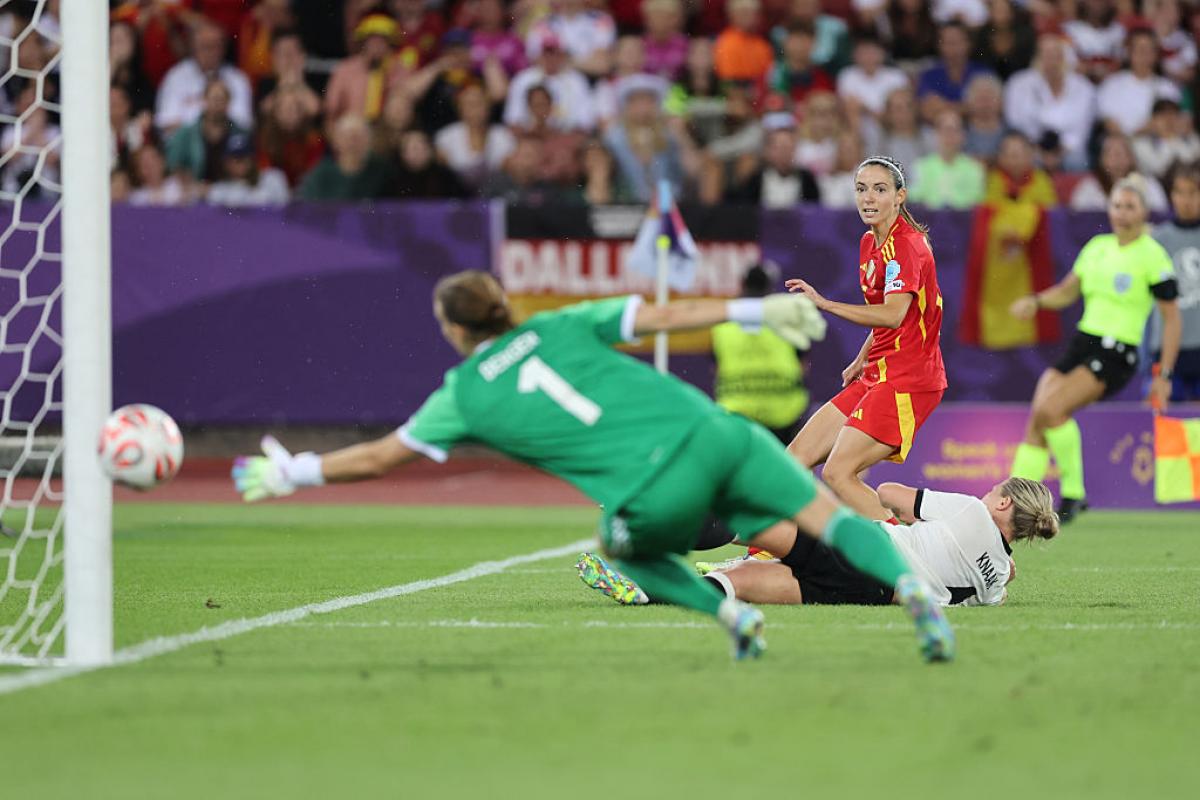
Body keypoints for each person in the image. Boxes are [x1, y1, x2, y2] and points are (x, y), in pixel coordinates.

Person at [232, 271, 956, 663]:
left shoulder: (465, 394)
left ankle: (729, 616)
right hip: (717, 432)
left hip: (650, 485)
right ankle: (912, 593)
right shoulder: (558, 324)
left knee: (620, 550)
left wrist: (295, 472)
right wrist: (755, 310)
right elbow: (665, 317)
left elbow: (380, 457)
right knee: (820, 512)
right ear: (505, 307)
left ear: (455, 330)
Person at [584, 478, 1057, 609]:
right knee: (743, 581)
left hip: (867, 549)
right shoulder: (995, 588)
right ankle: (647, 593)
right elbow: (994, 587)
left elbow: (891, 493)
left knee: (749, 522)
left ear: (1001, 506)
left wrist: (904, 514)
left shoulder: (972, 513)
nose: (985, 493)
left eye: (994, 490)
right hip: (871, 594)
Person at [1009, 174, 1182, 522]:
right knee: (1039, 412)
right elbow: (1068, 290)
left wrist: (1163, 372)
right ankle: (1015, 500)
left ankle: (1073, 494)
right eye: (1117, 205)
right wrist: (1037, 301)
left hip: (1118, 351)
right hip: (1083, 342)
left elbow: (1172, 320)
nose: (1122, 213)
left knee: (1052, 409)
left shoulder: (1153, 255)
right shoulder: (1098, 246)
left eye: (1130, 206)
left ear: (1145, 212)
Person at [785, 157, 947, 521]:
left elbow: (893, 314)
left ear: (900, 196)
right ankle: (765, 553)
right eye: (861, 189)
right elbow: (890, 322)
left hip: (909, 379)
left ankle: (912, 551)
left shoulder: (908, 246)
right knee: (793, 460)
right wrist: (861, 359)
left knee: (838, 473)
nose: (868, 198)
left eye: (879, 189)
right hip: (877, 372)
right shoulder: (868, 242)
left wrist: (824, 303)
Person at [712, 263, 810, 443]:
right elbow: (802, 366)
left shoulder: (723, 324)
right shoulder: (787, 319)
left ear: (742, 285)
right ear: (770, 288)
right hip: (783, 415)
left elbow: (717, 368)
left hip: (737, 414)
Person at [1003, 33, 1097, 171]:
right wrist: (1039, 150)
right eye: (1046, 54)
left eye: (1056, 54)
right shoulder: (1018, 83)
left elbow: (1081, 129)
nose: (1051, 60)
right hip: (1030, 147)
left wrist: (1059, 152)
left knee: (1077, 161)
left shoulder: (1083, 87)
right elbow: (1015, 122)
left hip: (1069, 149)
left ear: (1065, 58)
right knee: (1025, 159)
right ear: (1037, 57)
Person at [1148, 165, 1200, 401]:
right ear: (1171, 196)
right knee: (1165, 419)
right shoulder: (1157, 240)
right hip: (1168, 347)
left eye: (1193, 192)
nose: (1186, 200)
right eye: (1179, 192)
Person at [154, 21, 254, 134]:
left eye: (215, 46)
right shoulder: (176, 77)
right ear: (193, 47)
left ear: (224, 48)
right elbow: (166, 125)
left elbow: (243, 125)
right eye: (205, 46)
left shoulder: (237, 79)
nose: (210, 52)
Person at [1070, 134, 1170, 212]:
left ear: (1131, 158)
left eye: (1120, 153)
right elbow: (1078, 219)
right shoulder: (1088, 187)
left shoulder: (1149, 185)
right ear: (1101, 159)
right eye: (1110, 153)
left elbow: (1159, 215)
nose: (1116, 159)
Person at [908, 110, 985, 209]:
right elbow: (915, 199)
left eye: (955, 130)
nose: (949, 135)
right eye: (945, 130)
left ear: (963, 135)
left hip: (962, 220)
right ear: (936, 134)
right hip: (929, 220)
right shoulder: (920, 166)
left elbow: (976, 202)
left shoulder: (975, 168)